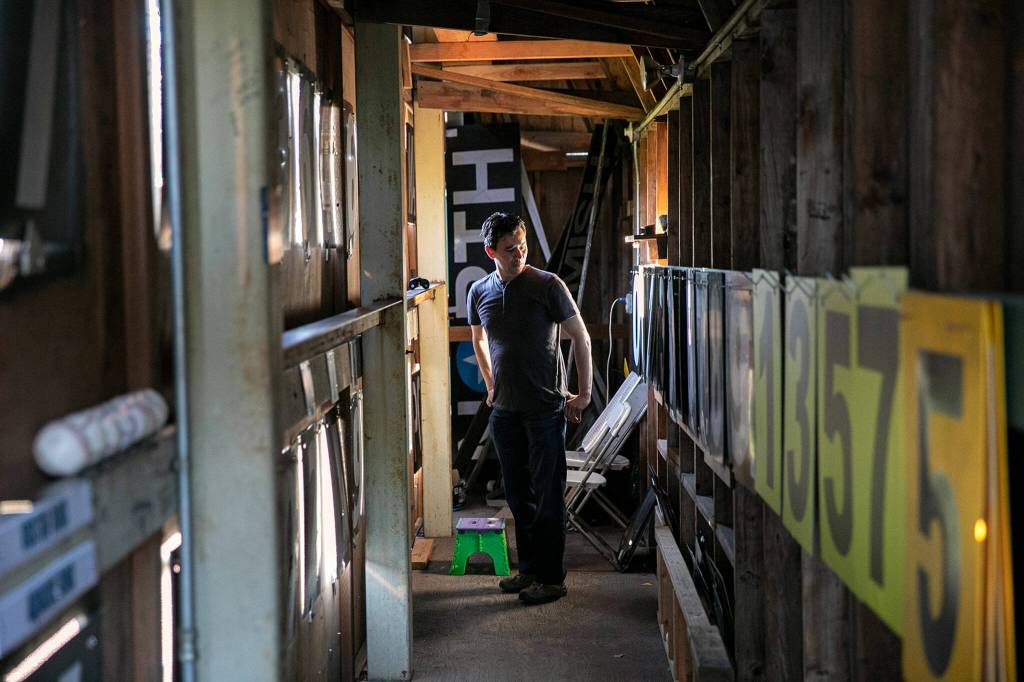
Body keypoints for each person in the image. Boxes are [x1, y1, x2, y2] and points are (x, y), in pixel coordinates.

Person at [468, 212, 592, 606]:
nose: (519, 254)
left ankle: (552, 578)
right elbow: (478, 341)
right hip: (504, 412)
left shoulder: (547, 285)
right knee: (519, 496)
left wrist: (584, 394)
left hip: (545, 409)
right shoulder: (478, 292)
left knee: (548, 495)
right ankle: (530, 571)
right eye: (510, 250)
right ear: (491, 252)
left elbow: (581, 337)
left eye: (522, 246)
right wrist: (489, 385)